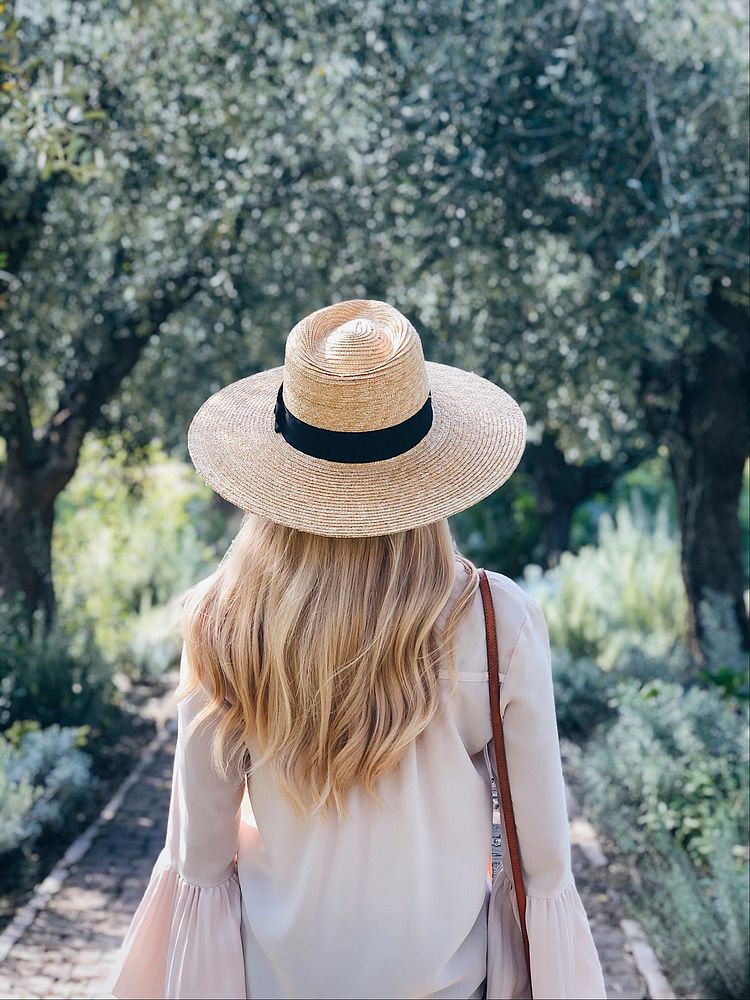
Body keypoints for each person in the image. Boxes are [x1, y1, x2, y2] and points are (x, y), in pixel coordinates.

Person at [109, 300, 607, 1000]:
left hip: (275, 978)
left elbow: (198, 856)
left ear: (279, 465)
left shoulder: (221, 618)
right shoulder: (496, 621)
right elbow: (545, 859)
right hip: (445, 982)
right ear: (432, 467)